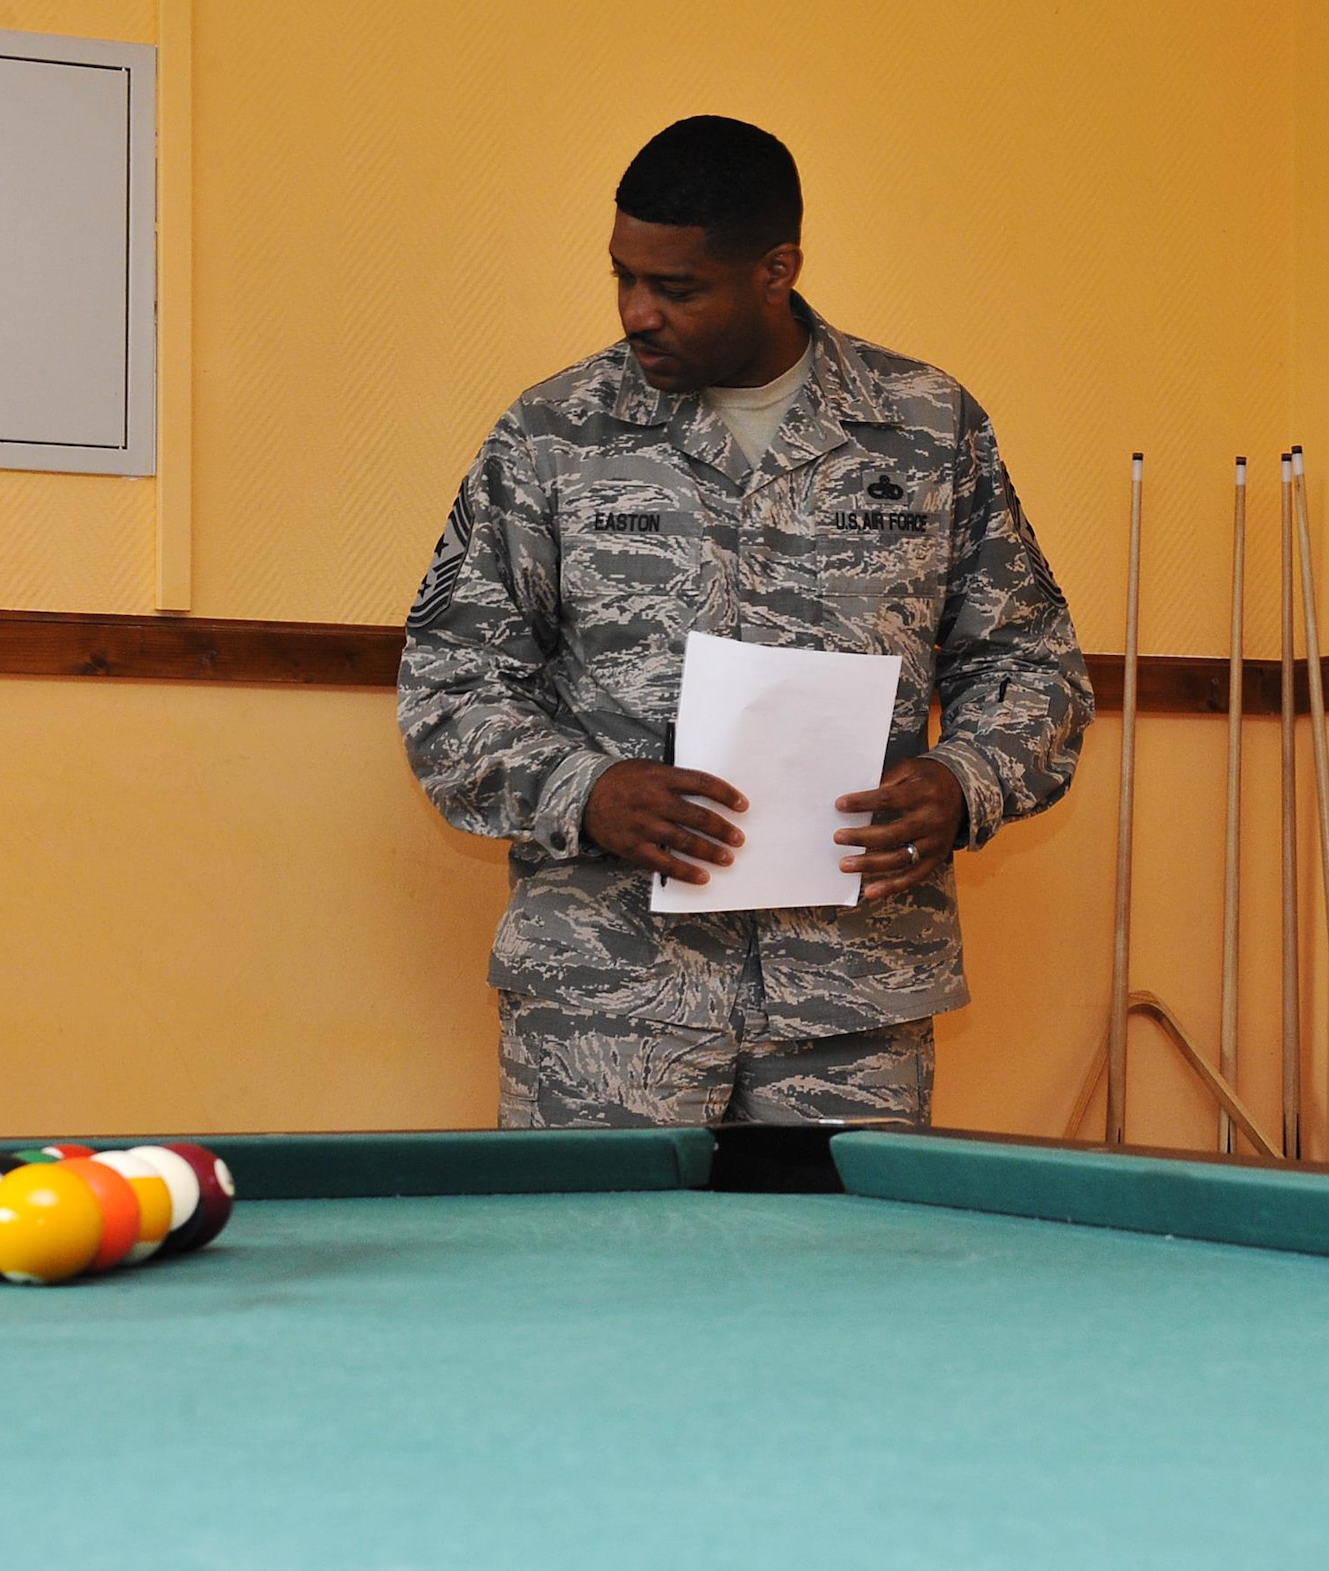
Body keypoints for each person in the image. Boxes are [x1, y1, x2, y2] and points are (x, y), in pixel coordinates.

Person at [398, 116, 1092, 1131]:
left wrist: (960, 781)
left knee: (840, 1290)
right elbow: (448, 686)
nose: (637, 312)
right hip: (608, 1010)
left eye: (675, 288)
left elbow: (1031, 668)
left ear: (775, 271)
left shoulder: (926, 426)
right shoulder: (552, 435)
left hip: (849, 1011)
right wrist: (585, 790)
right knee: (595, 1288)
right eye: (621, 277)